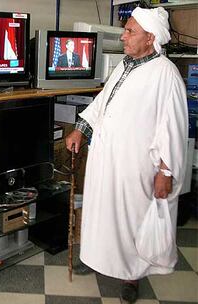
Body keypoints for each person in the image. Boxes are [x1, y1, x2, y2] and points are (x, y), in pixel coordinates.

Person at [65, 7, 188, 304]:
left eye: (130, 31)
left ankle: (132, 275)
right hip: (106, 161)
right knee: (103, 215)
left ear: (150, 38)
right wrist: (80, 129)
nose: (123, 36)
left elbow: (172, 130)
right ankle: (99, 258)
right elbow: (101, 103)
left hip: (136, 167)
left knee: (132, 220)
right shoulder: (125, 65)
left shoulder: (165, 75)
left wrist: (165, 172)